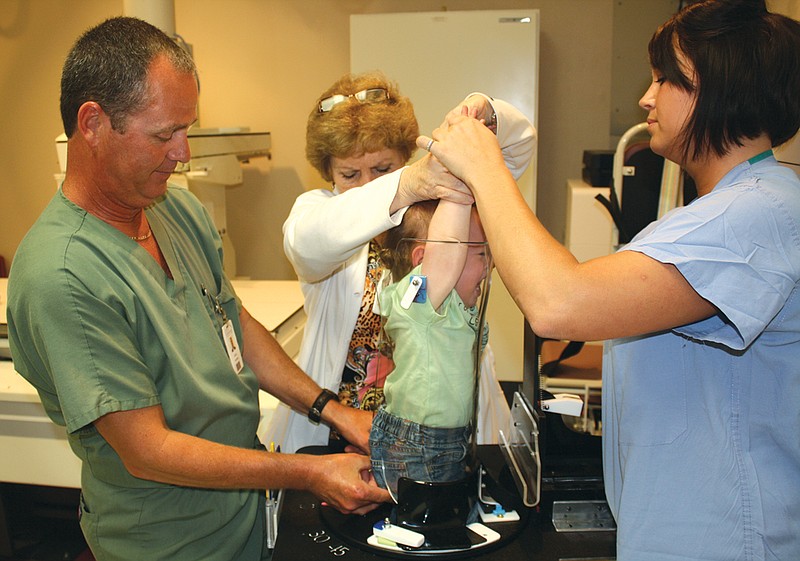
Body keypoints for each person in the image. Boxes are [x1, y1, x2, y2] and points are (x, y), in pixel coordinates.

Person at [421, 1, 800, 559]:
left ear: (722, 90)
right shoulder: (730, 209)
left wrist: (484, 167)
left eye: (666, 80)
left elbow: (557, 302)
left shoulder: (753, 216)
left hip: (723, 536)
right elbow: (580, 285)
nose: (646, 99)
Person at [6, 17, 388, 561]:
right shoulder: (62, 275)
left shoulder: (172, 209)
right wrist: (310, 472)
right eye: (164, 134)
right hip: (173, 542)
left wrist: (333, 409)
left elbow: (234, 322)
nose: (183, 153)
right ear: (92, 123)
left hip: (246, 514)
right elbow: (148, 451)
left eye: (187, 129)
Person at [275, 71, 536, 454]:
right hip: (338, 437)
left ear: (407, 158)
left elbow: (518, 145)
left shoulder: (443, 204)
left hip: (444, 439)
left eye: (382, 169)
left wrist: (484, 115)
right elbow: (308, 243)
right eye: (349, 174)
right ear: (329, 172)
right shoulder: (317, 213)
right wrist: (402, 185)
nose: (366, 184)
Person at [370, 197, 490, 497]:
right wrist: (458, 188)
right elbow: (447, 254)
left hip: (444, 439)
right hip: (418, 444)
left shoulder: (452, 309)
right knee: (426, 528)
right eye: (479, 253)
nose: (491, 264)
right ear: (424, 261)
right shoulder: (418, 302)